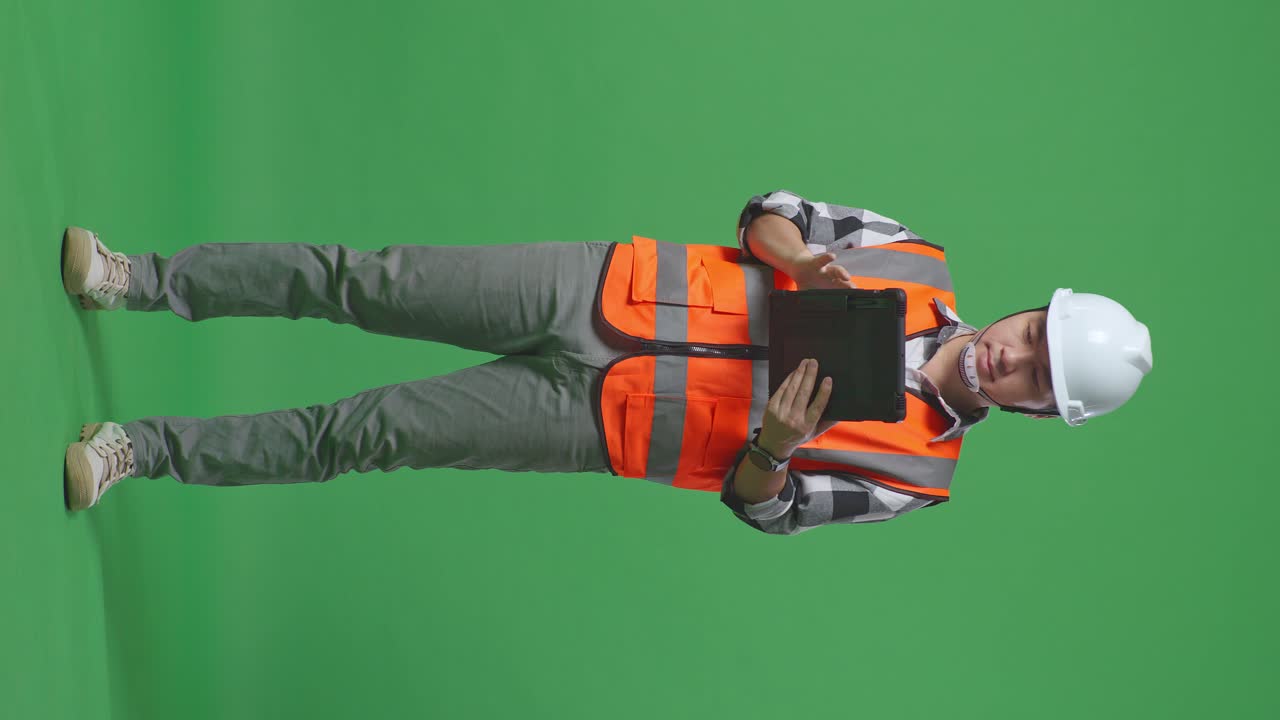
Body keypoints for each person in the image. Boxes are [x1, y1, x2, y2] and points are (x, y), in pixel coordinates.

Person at [61, 189, 1153, 535]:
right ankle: (137, 279)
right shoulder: (913, 257)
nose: (1010, 356)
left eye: (1033, 375)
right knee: (366, 280)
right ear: (1027, 309)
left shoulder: (918, 476)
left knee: (367, 433)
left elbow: (765, 509)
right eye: (1030, 336)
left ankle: (140, 452)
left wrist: (775, 446)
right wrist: (800, 260)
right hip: (599, 285)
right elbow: (767, 210)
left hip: (597, 421)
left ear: (1033, 410)